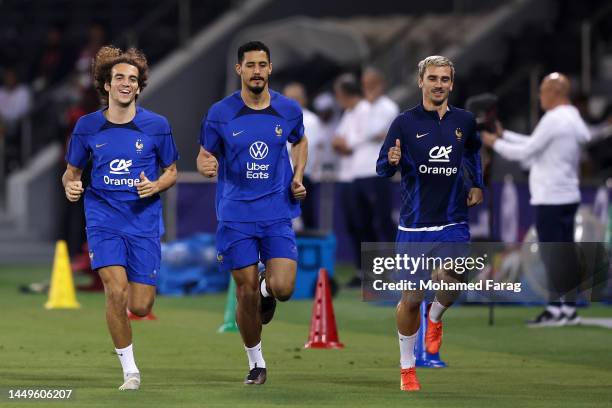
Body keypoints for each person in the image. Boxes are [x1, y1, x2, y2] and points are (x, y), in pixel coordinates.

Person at [62, 46, 179, 390]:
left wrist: (155, 184)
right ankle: (130, 371)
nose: (126, 83)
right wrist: (71, 186)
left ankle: (131, 334)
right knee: (116, 290)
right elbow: (71, 172)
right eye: (119, 78)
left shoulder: (157, 126)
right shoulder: (87, 127)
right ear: (107, 85)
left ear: (139, 87)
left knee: (140, 305)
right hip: (103, 220)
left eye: (132, 79)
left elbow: (172, 171)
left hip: (143, 222)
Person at [197, 41, 308, 385]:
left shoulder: (288, 110)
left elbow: (300, 141)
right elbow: (204, 154)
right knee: (243, 293)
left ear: (270, 69)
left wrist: (298, 175)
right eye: (251, 65)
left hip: (276, 211)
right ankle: (256, 363)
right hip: (235, 215)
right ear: (239, 70)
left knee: (285, 287)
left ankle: (266, 288)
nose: (257, 70)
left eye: (263, 64)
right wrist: (205, 164)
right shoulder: (220, 113)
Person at [376, 55, 483, 391]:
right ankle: (408, 367)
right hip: (414, 226)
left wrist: (477, 183)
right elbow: (382, 167)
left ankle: (435, 317)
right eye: (433, 78)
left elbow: (473, 151)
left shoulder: (464, 121)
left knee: (455, 275)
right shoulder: (404, 123)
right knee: (410, 298)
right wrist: (390, 161)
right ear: (421, 81)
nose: (439, 85)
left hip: (453, 219)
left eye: (445, 79)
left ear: (452, 84)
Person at [482, 72, 590, 327]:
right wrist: (505, 135)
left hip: (551, 196)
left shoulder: (553, 119)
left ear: (555, 92)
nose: (539, 95)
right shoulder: (572, 117)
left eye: (543, 90)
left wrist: (494, 143)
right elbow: (536, 144)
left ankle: (555, 309)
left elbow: (526, 153)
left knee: (553, 253)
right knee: (565, 252)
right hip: (567, 194)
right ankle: (567, 308)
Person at [331, 73, 372, 288]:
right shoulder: (348, 113)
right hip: (346, 175)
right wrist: (342, 144)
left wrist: (345, 145)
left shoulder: (366, 110)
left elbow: (355, 141)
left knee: (366, 224)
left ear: (343, 93)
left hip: (362, 173)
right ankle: (360, 270)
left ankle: (373, 272)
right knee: (353, 225)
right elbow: (337, 140)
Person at [283, 82, 323, 229]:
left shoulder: (311, 120)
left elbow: (307, 149)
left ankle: (308, 249)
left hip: (301, 176)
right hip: (280, 176)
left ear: (304, 100)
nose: (292, 102)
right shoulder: (279, 119)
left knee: (304, 217)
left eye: (296, 98)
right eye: (289, 98)